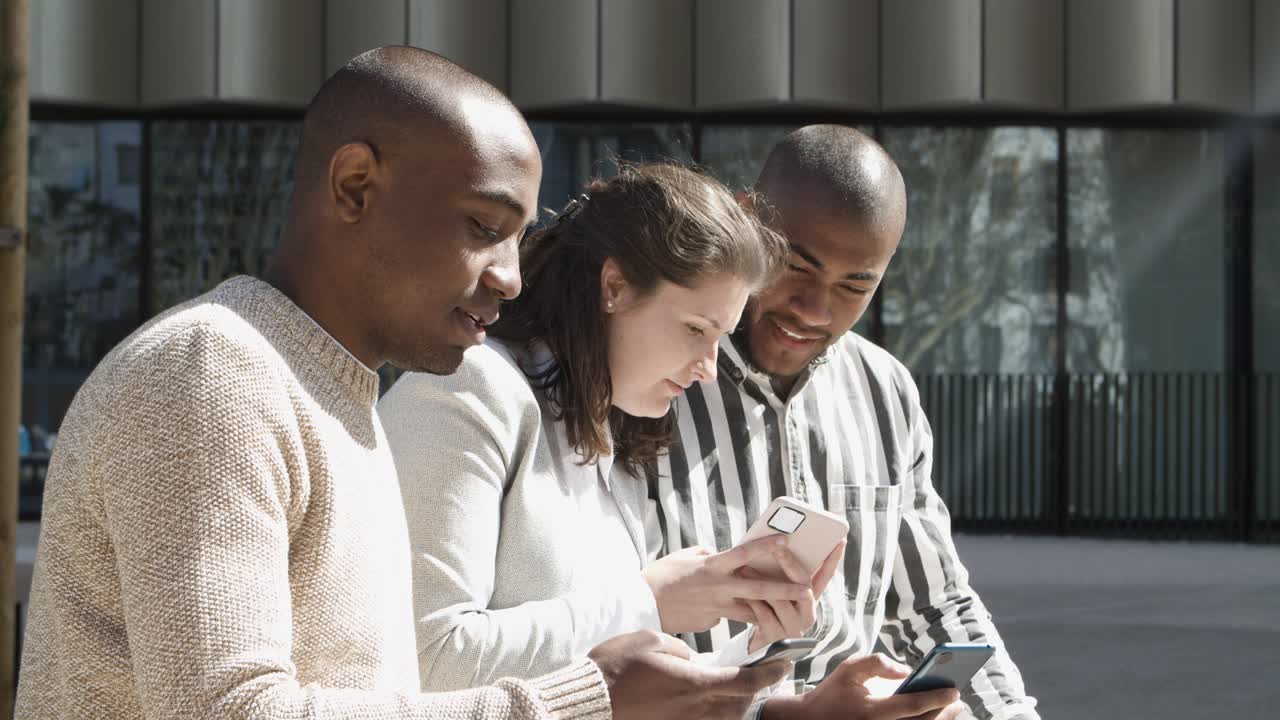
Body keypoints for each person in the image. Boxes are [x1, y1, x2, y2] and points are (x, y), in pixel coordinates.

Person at [16, 47, 788, 720]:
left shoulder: (336, 398)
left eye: (518, 240)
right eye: (484, 228)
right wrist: (576, 702)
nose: (513, 278)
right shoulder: (209, 375)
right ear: (354, 185)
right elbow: (228, 711)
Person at [379, 163, 844, 691]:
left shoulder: (611, 437)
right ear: (615, 286)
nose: (709, 368)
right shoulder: (469, 388)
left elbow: (613, 687)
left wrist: (754, 658)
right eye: (695, 328)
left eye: (722, 336)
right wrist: (648, 602)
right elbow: (426, 657)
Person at [645, 126, 1041, 720]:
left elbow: (933, 604)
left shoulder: (886, 390)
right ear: (747, 219)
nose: (815, 310)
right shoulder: (653, 380)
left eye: (856, 286)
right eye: (797, 268)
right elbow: (611, 641)